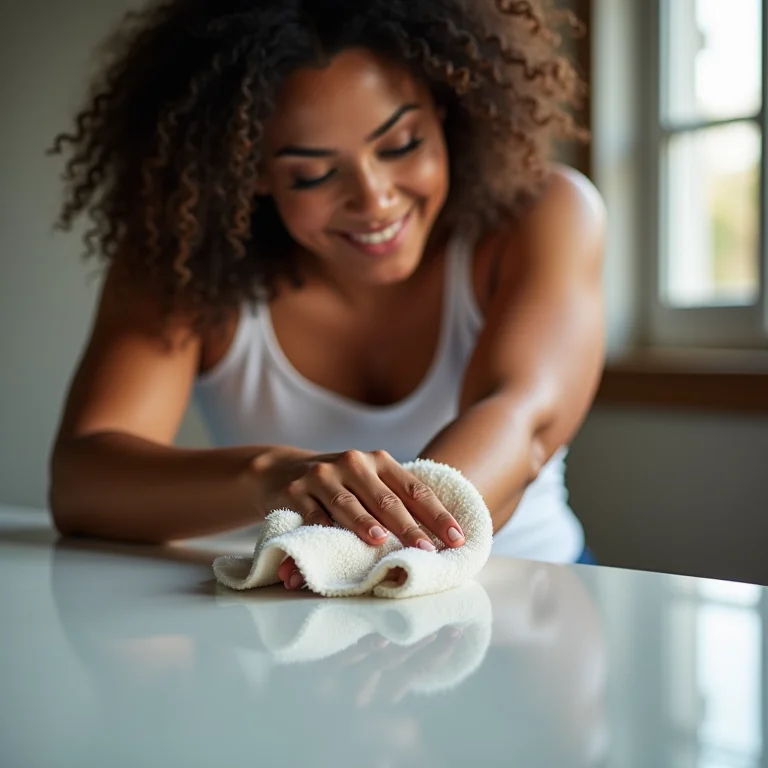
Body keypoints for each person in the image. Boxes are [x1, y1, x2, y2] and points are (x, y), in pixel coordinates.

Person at [48, 0, 606, 590]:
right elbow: (83, 481)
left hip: (535, 610)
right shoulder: (184, 259)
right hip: (309, 613)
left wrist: (359, 550)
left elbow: (521, 420)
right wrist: (272, 476)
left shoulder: (543, 215)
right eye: (313, 174)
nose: (374, 199)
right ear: (252, 170)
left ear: (445, 110)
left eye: (401, 144)